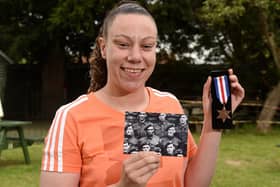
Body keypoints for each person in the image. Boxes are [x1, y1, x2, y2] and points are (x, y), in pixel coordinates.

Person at [40, 1, 245, 187]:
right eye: (123, 44)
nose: (135, 57)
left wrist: (214, 123)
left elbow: (192, 183)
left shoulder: (168, 105)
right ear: (104, 48)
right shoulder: (71, 117)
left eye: (146, 46)